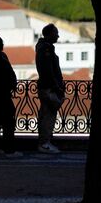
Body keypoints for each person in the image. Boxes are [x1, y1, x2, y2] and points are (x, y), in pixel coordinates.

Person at [36, 24, 64, 154]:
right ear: (49, 34)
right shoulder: (45, 49)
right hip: (48, 88)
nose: (57, 36)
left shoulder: (43, 48)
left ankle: (45, 142)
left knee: (46, 114)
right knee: (48, 115)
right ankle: (44, 143)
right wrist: (56, 86)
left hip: (47, 87)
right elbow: (48, 70)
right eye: (56, 33)